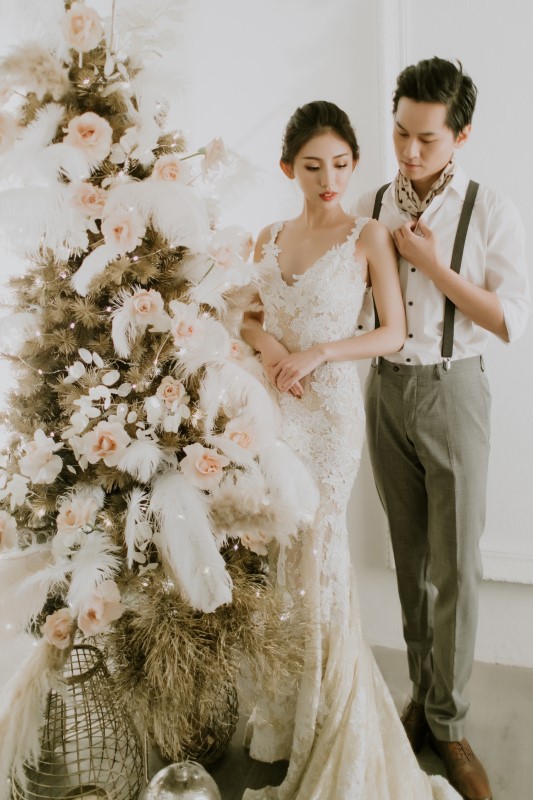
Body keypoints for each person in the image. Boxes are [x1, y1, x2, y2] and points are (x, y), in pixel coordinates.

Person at [240, 100, 461, 799]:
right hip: (273, 410)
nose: (328, 177)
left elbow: (392, 331)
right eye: (312, 167)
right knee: (277, 559)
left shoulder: (368, 235)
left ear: (353, 165)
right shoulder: (266, 236)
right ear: (288, 169)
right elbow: (245, 316)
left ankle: (327, 715)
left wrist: (317, 353)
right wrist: (273, 348)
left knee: (321, 553)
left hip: (329, 413)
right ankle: (281, 718)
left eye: (340, 164)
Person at [354, 57, 530, 800]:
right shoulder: (371, 202)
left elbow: (508, 320)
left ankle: (451, 726)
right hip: (385, 394)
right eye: (399, 132)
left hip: (455, 392)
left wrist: (432, 263)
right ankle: (421, 706)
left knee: (456, 566)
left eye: (426, 138)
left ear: (460, 135)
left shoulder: (489, 207)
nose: (409, 151)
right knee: (408, 557)